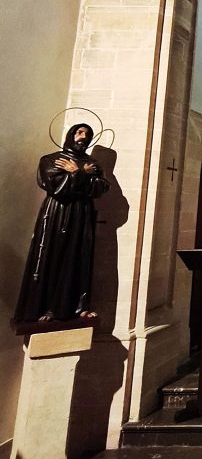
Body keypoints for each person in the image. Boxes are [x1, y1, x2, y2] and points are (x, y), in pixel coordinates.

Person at [14, 123, 109, 323]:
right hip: (57, 212)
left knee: (79, 256)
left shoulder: (92, 164)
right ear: (70, 134)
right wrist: (81, 174)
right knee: (53, 254)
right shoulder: (51, 159)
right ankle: (45, 306)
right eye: (79, 133)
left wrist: (77, 173)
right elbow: (55, 186)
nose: (83, 137)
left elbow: (101, 187)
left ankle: (78, 307)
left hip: (81, 214)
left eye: (87, 134)